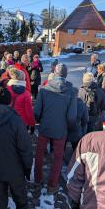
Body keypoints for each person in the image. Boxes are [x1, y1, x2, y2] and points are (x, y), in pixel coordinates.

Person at [34, 63, 77, 193]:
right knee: (58, 157)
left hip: (45, 127)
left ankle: (38, 179)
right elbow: (71, 116)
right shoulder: (71, 91)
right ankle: (52, 184)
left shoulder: (44, 89)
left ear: (55, 73)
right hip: (60, 129)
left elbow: (36, 112)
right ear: (65, 75)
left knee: (39, 153)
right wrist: (67, 126)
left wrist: (41, 121)